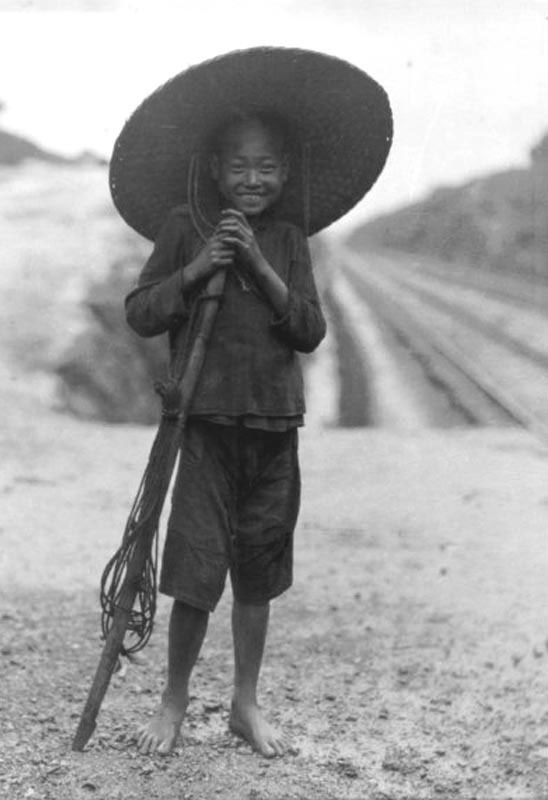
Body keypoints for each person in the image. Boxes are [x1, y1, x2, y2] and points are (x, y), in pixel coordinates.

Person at [109, 46, 393, 759]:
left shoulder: (290, 240)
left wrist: (261, 268)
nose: (254, 179)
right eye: (240, 165)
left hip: (274, 424)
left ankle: (244, 704)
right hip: (202, 422)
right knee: (194, 571)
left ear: (286, 172)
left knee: (258, 571)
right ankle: (173, 703)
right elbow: (142, 312)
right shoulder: (182, 227)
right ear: (214, 168)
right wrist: (202, 265)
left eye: (267, 167)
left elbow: (309, 331)